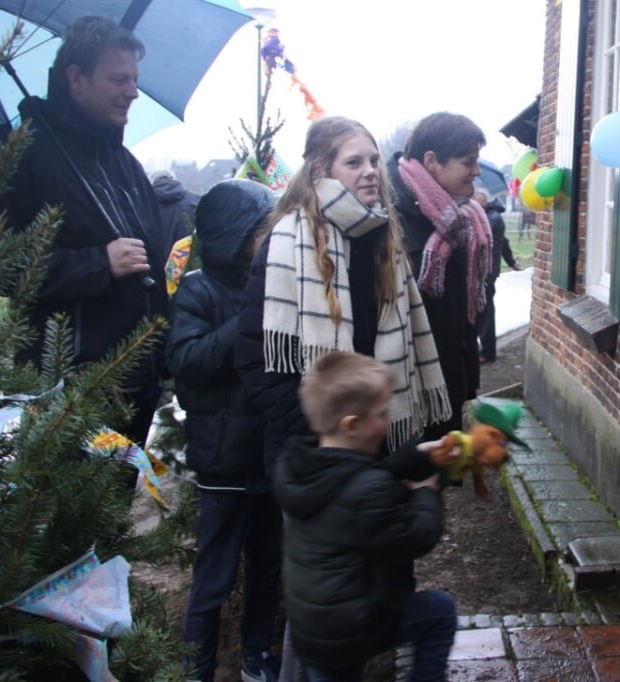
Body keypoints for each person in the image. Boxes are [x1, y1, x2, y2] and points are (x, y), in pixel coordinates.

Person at [235, 116, 454, 680]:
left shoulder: (384, 237)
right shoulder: (286, 243)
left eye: (374, 160)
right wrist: (322, 437)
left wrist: (396, 440)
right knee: (323, 593)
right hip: (316, 453)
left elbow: (408, 343)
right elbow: (257, 359)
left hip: (378, 437)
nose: (369, 172)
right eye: (353, 161)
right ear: (320, 170)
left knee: (389, 576)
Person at [0, 15, 169, 446]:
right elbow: (1, 267)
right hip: (68, 391)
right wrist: (98, 263)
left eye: (134, 79)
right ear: (76, 78)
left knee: (115, 512)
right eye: (118, 79)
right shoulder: (25, 156)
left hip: (137, 384)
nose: (132, 92)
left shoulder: (125, 163)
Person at [276, 351, 457, 682]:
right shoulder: (364, 490)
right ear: (353, 425)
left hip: (312, 629)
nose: (387, 421)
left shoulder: (301, 467)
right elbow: (418, 535)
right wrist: (427, 491)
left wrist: (417, 454)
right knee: (440, 612)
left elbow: (359, 480)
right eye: (382, 414)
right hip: (351, 631)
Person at [165, 179, 281, 682]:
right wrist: (245, 319)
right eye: (262, 229)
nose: (272, 238)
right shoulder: (198, 290)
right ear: (234, 236)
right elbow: (187, 361)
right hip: (223, 466)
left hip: (269, 460)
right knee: (213, 577)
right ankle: (198, 668)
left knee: (265, 570)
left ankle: (257, 657)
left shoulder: (276, 283)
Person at [387, 112, 492, 438]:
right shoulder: (388, 215)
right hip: (405, 389)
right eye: (468, 162)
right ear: (432, 161)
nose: (476, 171)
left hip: (448, 373)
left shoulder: (460, 218)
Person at [472, 188, 520, 363]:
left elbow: (480, 237)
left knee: (485, 310)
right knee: (480, 308)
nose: (471, 200)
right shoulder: (488, 215)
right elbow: (505, 242)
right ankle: (480, 347)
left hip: (486, 271)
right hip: (484, 270)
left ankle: (488, 351)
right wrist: (512, 262)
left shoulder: (492, 217)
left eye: (474, 197)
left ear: (483, 199)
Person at [149, 169, 199, 265]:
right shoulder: (196, 201)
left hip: (155, 270)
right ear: (174, 179)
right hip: (189, 267)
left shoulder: (142, 206)